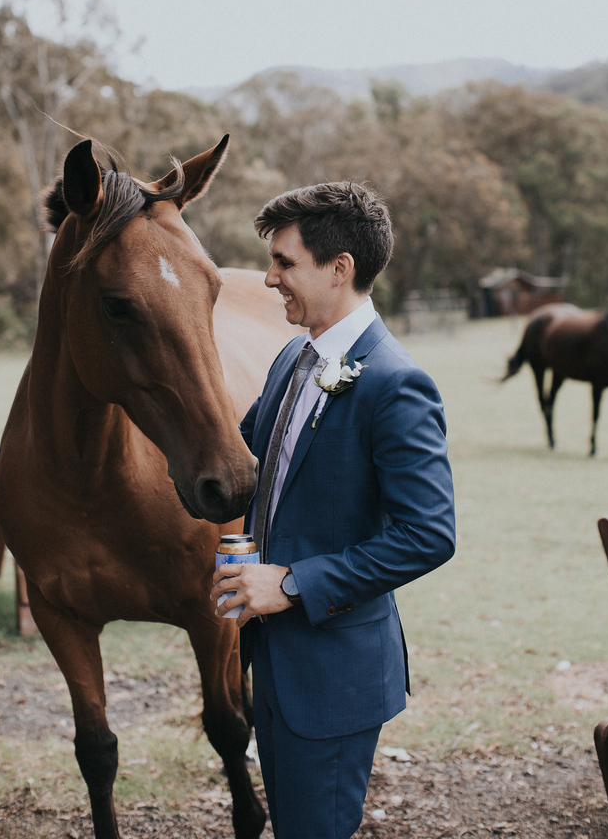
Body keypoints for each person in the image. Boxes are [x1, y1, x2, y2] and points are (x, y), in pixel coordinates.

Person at [211, 180, 455, 839]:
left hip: (332, 674)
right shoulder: (296, 355)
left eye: (284, 262)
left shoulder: (396, 384)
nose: (268, 278)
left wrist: (290, 583)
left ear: (339, 268)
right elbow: (246, 459)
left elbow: (428, 535)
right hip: (275, 657)